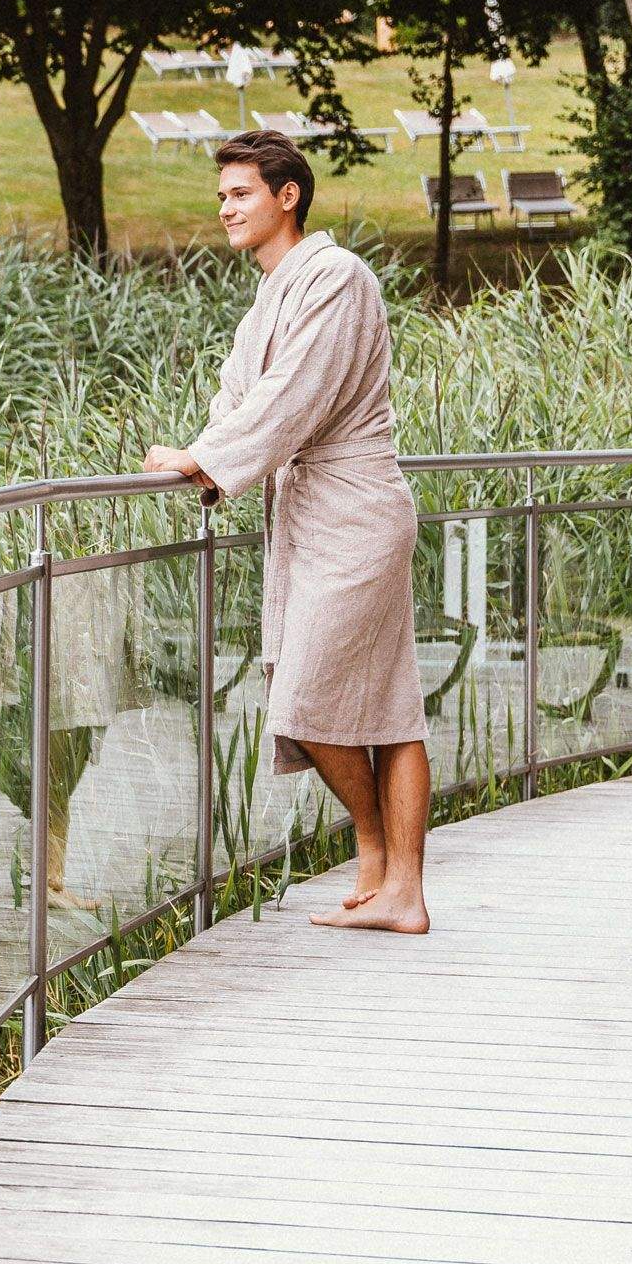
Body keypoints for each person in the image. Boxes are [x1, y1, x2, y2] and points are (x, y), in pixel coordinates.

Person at [141, 130, 433, 934]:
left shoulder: (336, 277)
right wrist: (201, 452)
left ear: (287, 196)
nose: (226, 209)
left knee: (310, 697)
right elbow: (240, 400)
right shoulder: (270, 296)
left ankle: (385, 860)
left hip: (356, 510)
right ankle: (394, 883)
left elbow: (293, 397)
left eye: (240, 194)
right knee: (374, 702)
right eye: (223, 196)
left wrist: (206, 460)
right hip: (311, 514)